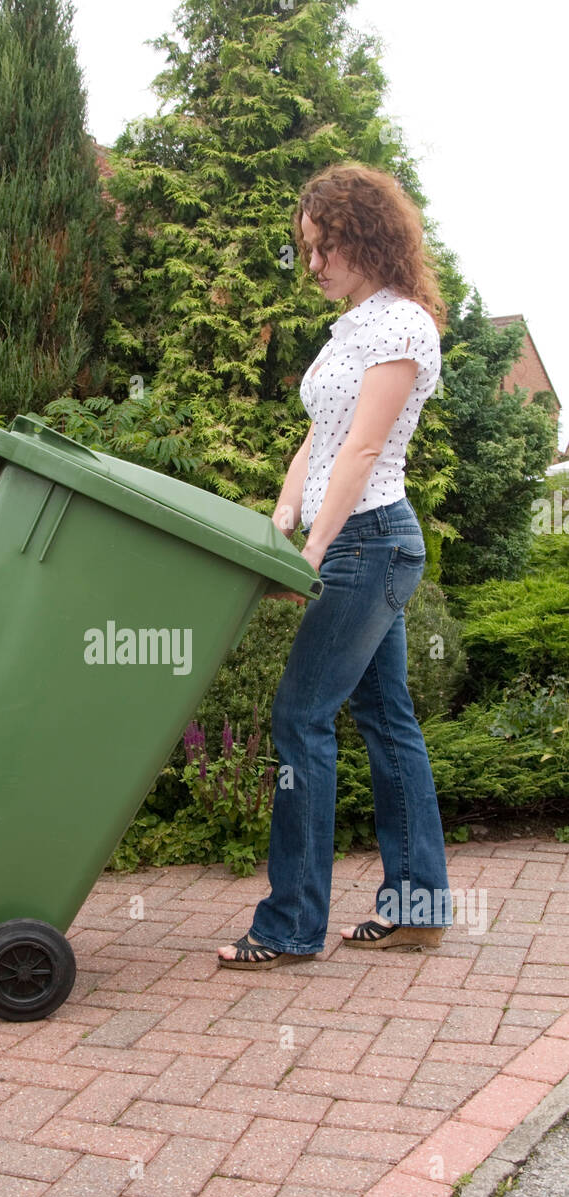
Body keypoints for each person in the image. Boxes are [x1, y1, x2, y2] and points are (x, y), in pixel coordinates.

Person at [219, 163, 453, 970]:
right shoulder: (348, 330)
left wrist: (312, 552)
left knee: (299, 719)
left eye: (324, 248)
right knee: (385, 719)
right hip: (351, 538)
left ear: (367, 238)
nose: (311, 265)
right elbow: (319, 438)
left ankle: (289, 926)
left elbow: (361, 449)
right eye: (306, 251)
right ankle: (416, 908)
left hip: (367, 541)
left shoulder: (402, 328)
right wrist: (282, 516)